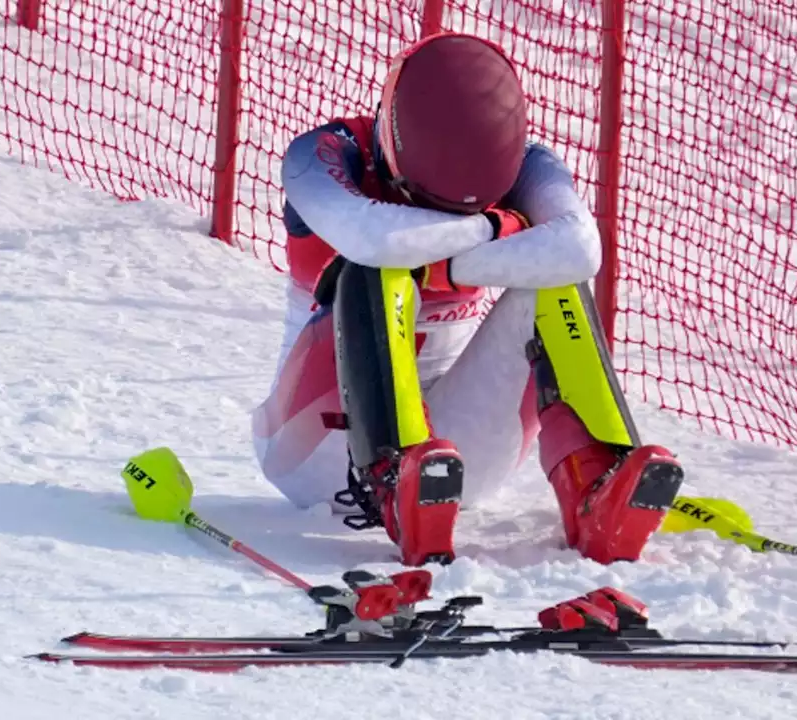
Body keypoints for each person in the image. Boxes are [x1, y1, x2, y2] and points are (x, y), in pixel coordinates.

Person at [251, 32, 684, 567]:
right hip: (318, 452)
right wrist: (498, 229)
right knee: (376, 270)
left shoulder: (531, 163)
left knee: (555, 280)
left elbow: (578, 248)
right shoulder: (321, 154)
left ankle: (594, 481)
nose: (449, 220)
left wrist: (443, 253)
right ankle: (393, 475)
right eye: (427, 204)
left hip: (453, 467)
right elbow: (376, 239)